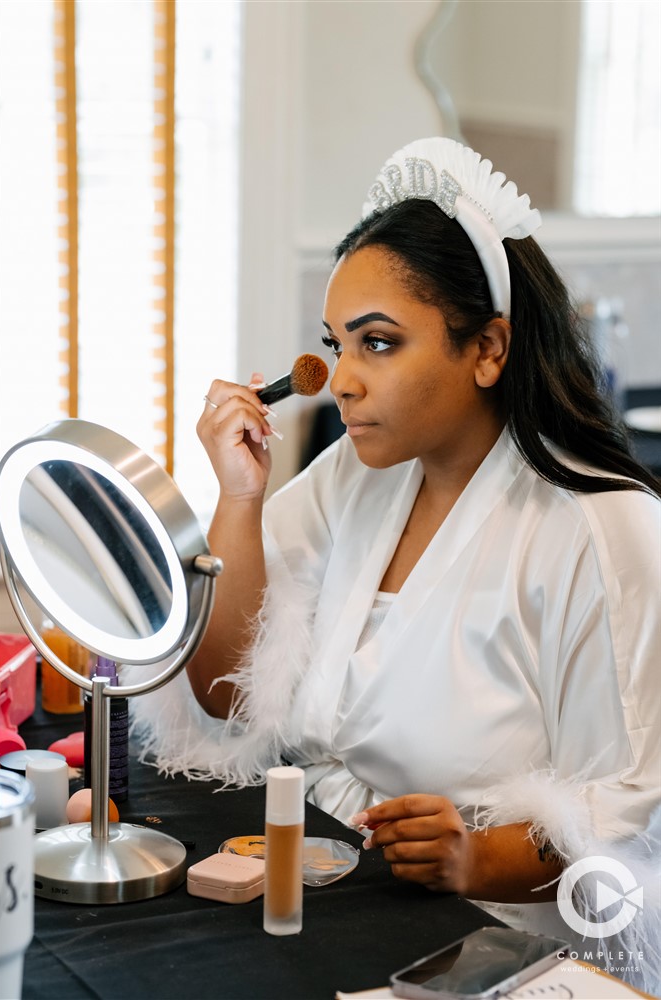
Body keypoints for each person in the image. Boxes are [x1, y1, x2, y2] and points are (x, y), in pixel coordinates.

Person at [128, 138, 660, 990]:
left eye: (377, 343)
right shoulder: (355, 478)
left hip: (493, 946)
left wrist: (472, 859)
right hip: (332, 899)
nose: (340, 379)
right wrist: (239, 497)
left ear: (487, 348)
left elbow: (625, 825)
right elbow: (227, 691)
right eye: (335, 344)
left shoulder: (603, 530)